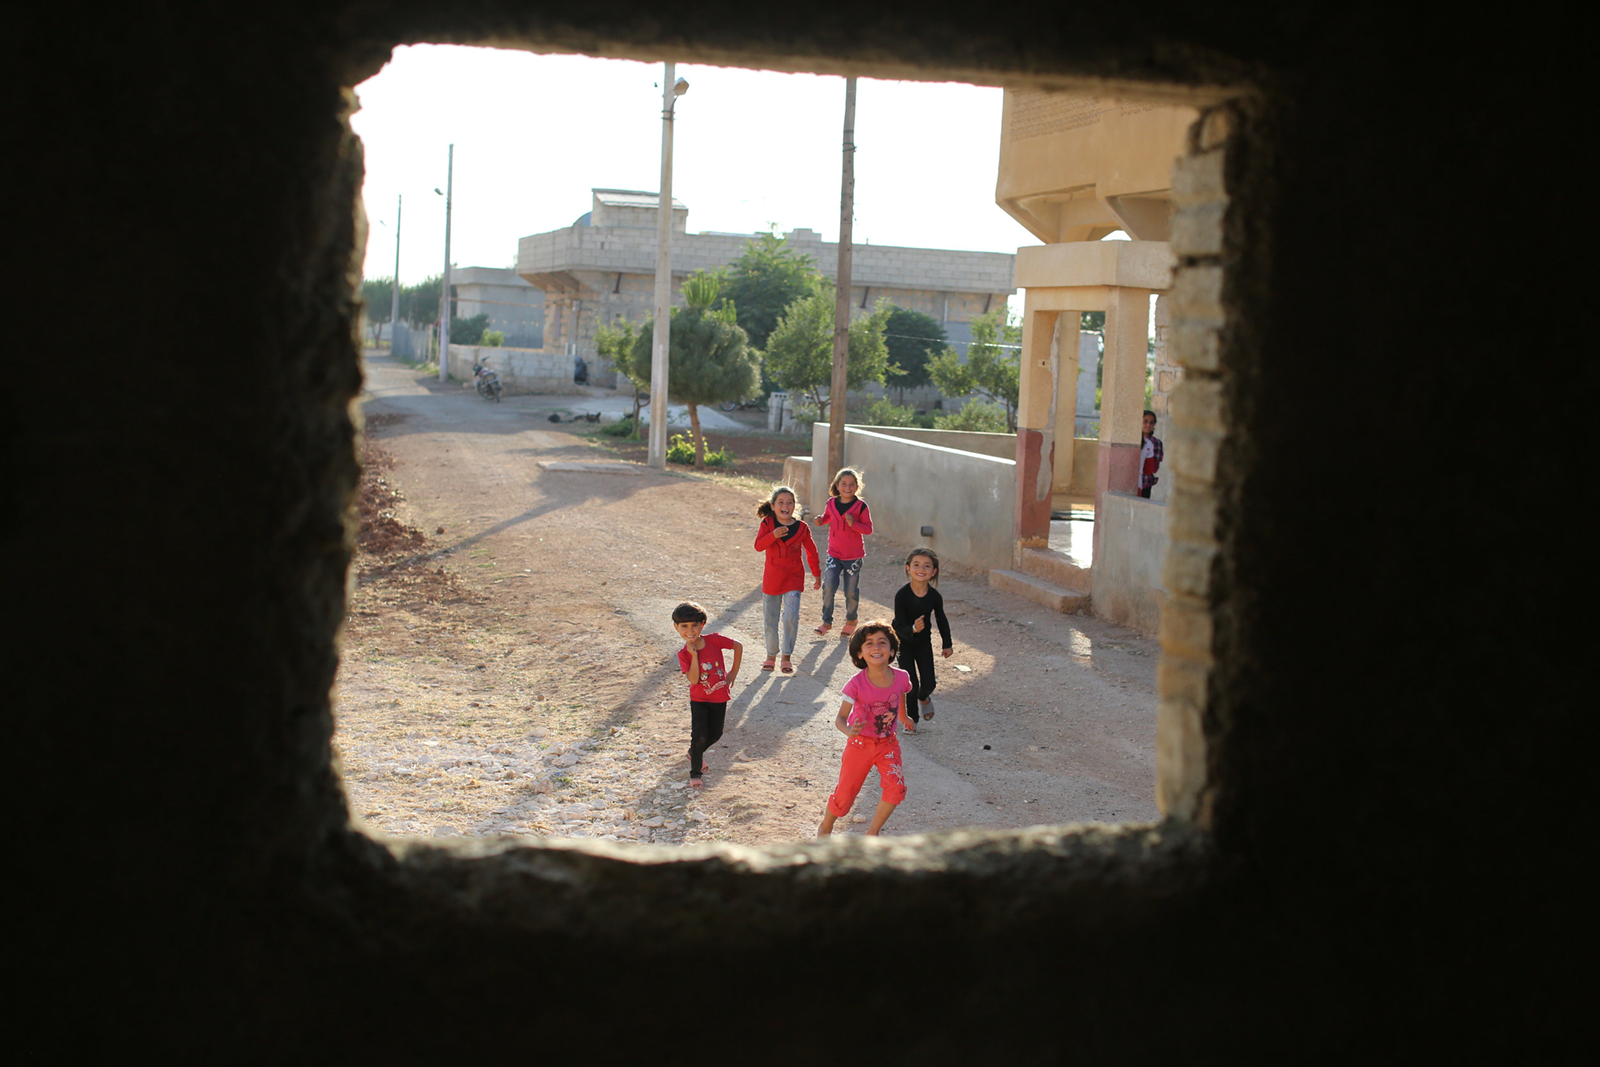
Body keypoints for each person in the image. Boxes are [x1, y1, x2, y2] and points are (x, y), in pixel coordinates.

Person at [818, 622, 913, 837]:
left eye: (882, 642)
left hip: (888, 744)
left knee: (895, 789)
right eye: (869, 644)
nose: (876, 647)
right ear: (860, 653)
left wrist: (903, 717)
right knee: (844, 797)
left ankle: (872, 834)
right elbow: (840, 719)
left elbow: (901, 695)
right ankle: (826, 826)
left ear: (892, 650)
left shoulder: (902, 677)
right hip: (859, 744)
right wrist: (849, 730)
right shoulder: (856, 684)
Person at [672, 602, 742, 789]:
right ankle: (695, 774)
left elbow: (738, 646)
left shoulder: (714, 640)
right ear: (676, 627)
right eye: (684, 626)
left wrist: (734, 672)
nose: (690, 630)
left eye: (694, 625)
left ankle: (693, 753)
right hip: (699, 700)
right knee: (699, 736)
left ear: (702, 624)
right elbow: (694, 680)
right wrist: (694, 656)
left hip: (719, 697)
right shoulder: (683, 654)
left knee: (716, 734)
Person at [754, 485, 821, 674]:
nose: (786, 506)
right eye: (781, 502)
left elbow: (811, 551)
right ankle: (771, 656)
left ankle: (786, 657)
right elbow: (758, 546)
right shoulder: (768, 524)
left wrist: (816, 572)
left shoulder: (802, 528)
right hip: (772, 579)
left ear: (794, 506)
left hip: (793, 578)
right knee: (770, 619)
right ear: (773, 506)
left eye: (790, 502)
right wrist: (772, 536)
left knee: (791, 617)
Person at [892, 548, 953, 728]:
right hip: (904, 643)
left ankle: (923, 697)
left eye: (927, 566)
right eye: (916, 565)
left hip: (923, 643)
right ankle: (912, 721)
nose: (921, 569)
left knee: (928, 683)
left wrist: (947, 644)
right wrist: (912, 628)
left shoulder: (934, 597)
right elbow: (899, 624)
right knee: (910, 683)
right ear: (908, 568)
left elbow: (942, 620)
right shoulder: (902, 595)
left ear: (934, 572)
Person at [811, 467, 873, 637]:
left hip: (853, 556)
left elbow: (868, 529)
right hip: (834, 553)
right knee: (829, 585)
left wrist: (854, 524)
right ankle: (826, 621)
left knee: (850, 590)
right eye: (844, 483)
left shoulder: (861, 507)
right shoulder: (831, 503)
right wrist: (820, 520)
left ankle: (851, 620)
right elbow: (827, 517)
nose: (847, 487)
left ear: (857, 487)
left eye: (851, 484)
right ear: (837, 485)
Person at [1139, 410, 1164, 499]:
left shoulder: (1155, 443)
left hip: (1144, 483)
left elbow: (1153, 468)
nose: (1148, 425)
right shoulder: (1131, 440)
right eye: (1145, 421)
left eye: (1151, 423)